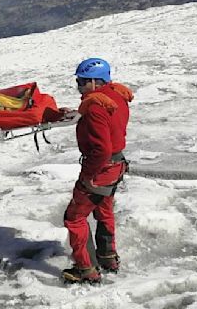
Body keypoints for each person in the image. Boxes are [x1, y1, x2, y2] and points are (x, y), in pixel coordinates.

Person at [62, 58, 133, 283]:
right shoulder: (116, 96)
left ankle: (85, 269)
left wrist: (88, 176)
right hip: (116, 165)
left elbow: (101, 149)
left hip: (101, 169)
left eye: (82, 82)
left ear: (94, 81)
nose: (79, 86)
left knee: (74, 217)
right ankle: (107, 256)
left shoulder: (95, 107)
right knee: (104, 210)